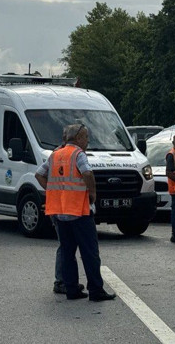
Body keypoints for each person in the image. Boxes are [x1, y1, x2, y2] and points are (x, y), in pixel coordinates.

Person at [35, 123, 115, 302]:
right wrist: (93, 193)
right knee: (90, 252)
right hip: (79, 210)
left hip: (60, 212)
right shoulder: (78, 154)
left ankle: (71, 289)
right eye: (86, 137)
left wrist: (52, 191)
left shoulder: (55, 155)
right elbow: (87, 173)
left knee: (67, 252)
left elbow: (39, 174)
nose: (88, 141)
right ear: (78, 138)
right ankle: (96, 290)